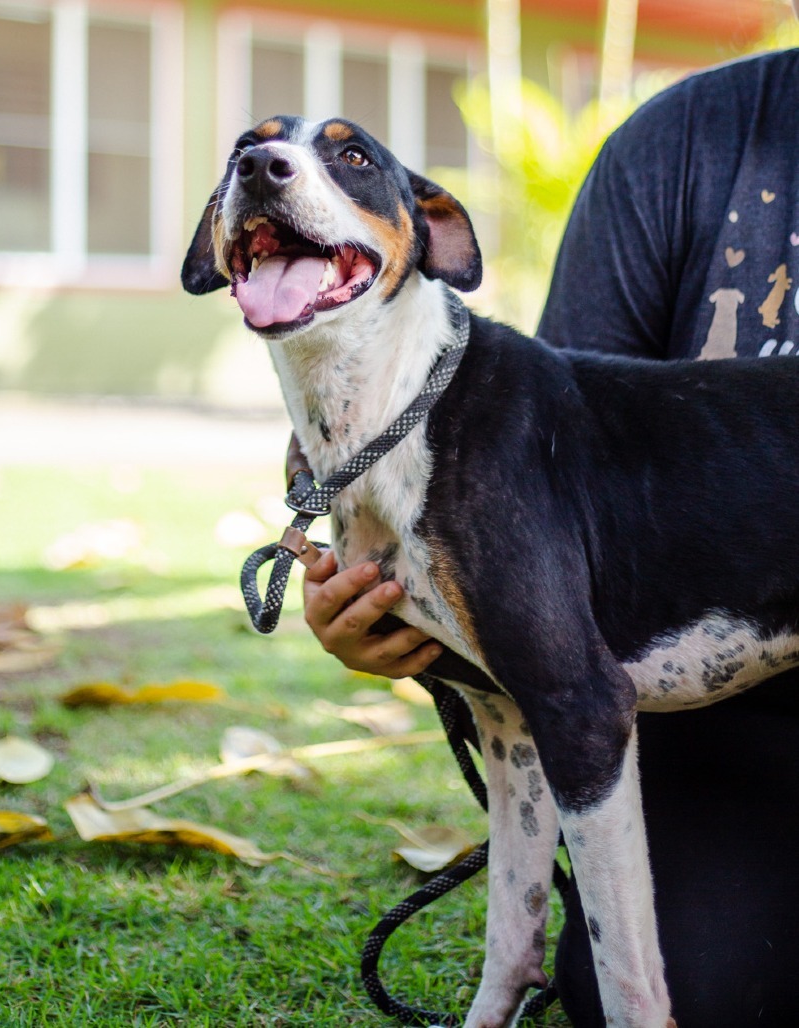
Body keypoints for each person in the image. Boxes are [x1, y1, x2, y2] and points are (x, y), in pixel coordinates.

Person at [302, 40, 799, 1028]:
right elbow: (547, 495)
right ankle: (535, 974)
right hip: (713, 715)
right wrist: (403, 622)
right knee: (707, 988)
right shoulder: (684, 141)